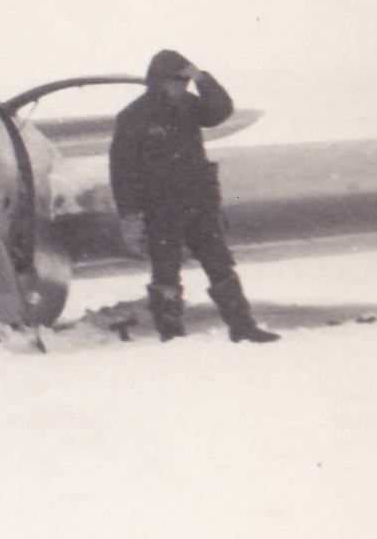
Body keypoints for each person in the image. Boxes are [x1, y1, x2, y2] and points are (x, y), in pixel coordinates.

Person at [109, 50, 278, 343]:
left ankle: (242, 327)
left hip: (199, 205)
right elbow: (122, 171)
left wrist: (202, 77)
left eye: (184, 81)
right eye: (175, 81)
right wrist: (129, 216)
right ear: (158, 81)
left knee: (220, 265)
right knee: (165, 274)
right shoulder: (133, 116)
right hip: (161, 209)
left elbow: (221, 110)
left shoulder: (189, 106)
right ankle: (171, 336)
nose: (181, 87)